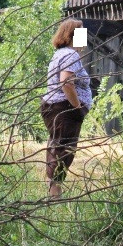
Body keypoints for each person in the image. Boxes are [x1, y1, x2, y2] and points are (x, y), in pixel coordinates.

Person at [40, 18, 92, 198]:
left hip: (54, 107)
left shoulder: (60, 53)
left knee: (56, 147)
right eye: (82, 33)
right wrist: (77, 107)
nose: (84, 37)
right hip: (64, 109)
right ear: (73, 35)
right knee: (64, 151)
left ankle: (52, 193)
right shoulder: (70, 55)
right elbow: (66, 82)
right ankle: (55, 197)